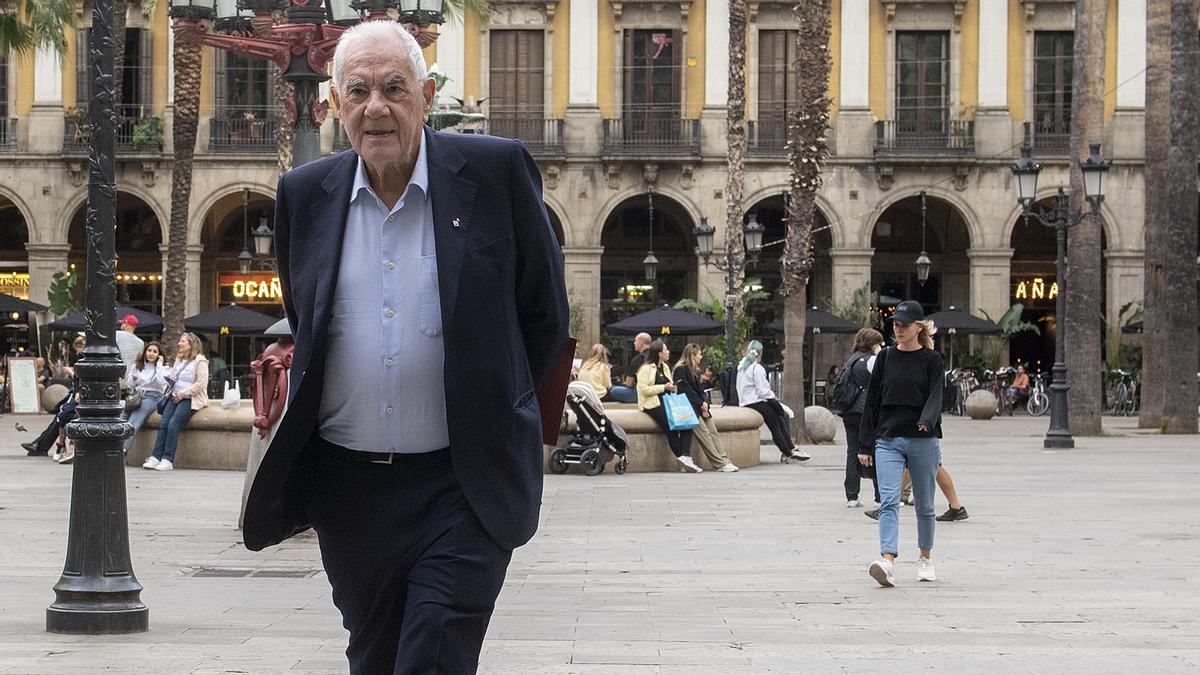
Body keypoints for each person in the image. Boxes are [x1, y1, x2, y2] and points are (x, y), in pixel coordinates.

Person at [241, 20, 570, 675]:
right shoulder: (304, 196)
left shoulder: (494, 173)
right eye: (357, 91)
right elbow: (305, 314)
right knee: (376, 657)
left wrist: (501, 410)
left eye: (394, 88)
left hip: (462, 483)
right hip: (347, 491)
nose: (376, 107)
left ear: (425, 95)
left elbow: (545, 315)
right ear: (334, 106)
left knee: (433, 657)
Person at [857, 300, 944, 587]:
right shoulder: (884, 358)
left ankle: (925, 558)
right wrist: (864, 445)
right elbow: (872, 401)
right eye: (895, 324)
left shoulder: (932, 360)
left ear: (919, 327)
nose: (899, 328)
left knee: (925, 505)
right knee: (889, 501)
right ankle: (888, 561)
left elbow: (936, 396)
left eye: (904, 324)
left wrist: (927, 420)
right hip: (888, 438)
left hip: (923, 439)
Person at [144, 332, 209, 472]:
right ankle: (155, 456)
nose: (179, 344)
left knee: (173, 424)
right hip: (174, 396)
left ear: (191, 345)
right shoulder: (179, 359)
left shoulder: (200, 361)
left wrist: (183, 394)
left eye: (182, 342)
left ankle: (167, 459)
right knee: (163, 424)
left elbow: (201, 384)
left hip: (190, 399)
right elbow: (174, 377)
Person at [736, 339, 810, 463]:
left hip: (746, 401)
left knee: (781, 417)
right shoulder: (757, 368)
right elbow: (763, 391)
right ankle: (788, 451)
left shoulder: (742, 367)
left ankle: (790, 449)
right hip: (757, 401)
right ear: (760, 353)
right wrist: (773, 398)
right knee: (778, 419)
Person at [637, 339, 701, 472]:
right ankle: (684, 458)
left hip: (668, 401)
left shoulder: (665, 367)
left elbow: (670, 384)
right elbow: (643, 389)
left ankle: (685, 458)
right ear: (660, 353)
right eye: (666, 349)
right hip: (652, 404)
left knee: (686, 422)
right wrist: (663, 387)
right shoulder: (645, 368)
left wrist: (672, 387)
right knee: (670, 428)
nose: (668, 351)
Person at [674, 344, 738, 472]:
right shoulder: (680, 370)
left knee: (713, 432)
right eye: (699, 354)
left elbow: (700, 390)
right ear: (692, 355)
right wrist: (701, 403)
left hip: (700, 407)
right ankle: (719, 464)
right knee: (705, 435)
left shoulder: (694, 371)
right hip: (690, 409)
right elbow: (685, 390)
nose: (701, 357)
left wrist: (704, 403)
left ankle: (724, 460)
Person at [838, 328, 884, 508]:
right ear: (873, 344)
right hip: (866, 412)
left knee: (853, 451)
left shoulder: (851, 360)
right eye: (878, 343)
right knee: (875, 450)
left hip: (849, 411)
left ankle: (852, 496)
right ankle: (880, 496)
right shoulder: (872, 360)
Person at [123, 341, 167, 453]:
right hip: (136, 396)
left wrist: (159, 365)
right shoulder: (137, 366)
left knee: (134, 420)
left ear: (159, 354)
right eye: (149, 351)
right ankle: (112, 446)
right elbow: (130, 385)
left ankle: (123, 449)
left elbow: (162, 382)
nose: (151, 354)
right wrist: (133, 379)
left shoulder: (163, 368)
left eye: (155, 352)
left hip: (152, 397)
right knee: (122, 417)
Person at [608, 332, 651, 403]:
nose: (634, 343)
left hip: (640, 394)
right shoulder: (656, 357)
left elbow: (629, 383)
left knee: (614, 390)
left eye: (635, 341)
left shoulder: (638, 359)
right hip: (655, 391)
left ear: (641, 343)